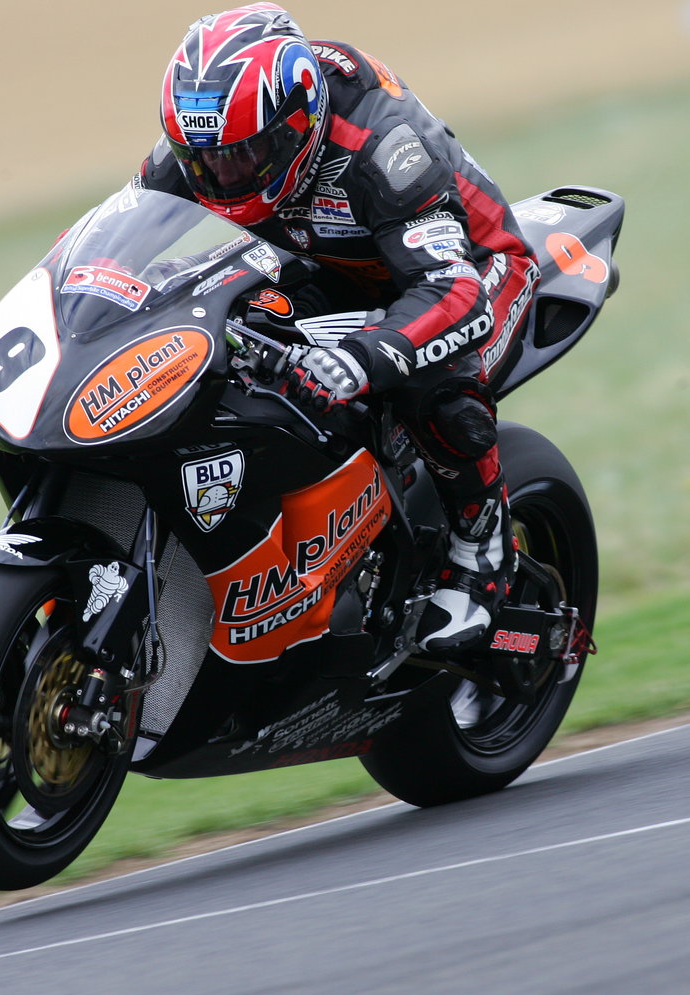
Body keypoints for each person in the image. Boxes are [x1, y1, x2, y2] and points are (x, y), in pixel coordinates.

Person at [138, 2, 539, 651]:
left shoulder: (385, 146)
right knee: (237, 334)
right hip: (335, 266)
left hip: (474, 269)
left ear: (298, 123)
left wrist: (363, 355)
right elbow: (128, 242)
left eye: (244, 157)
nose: (224, 178)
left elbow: (454, 291)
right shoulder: (199, 147)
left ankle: (483, 546)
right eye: (206, 163)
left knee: (429, 376)